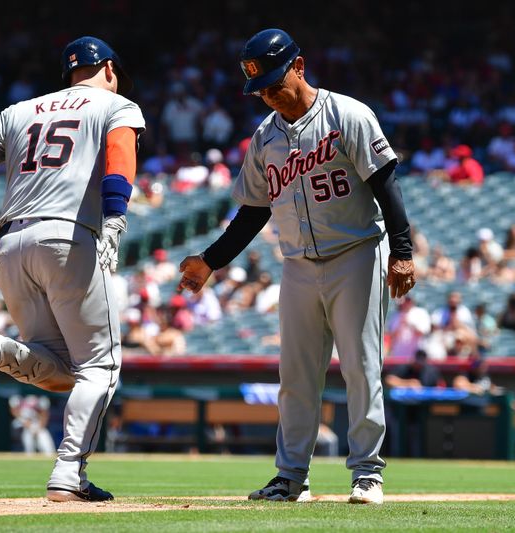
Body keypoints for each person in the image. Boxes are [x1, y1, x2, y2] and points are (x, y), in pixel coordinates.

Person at [177, 29, 416, 505]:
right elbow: (253, 211)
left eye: (273, 82)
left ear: (299, 67)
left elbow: (386, 182)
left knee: (361, 368)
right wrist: (210, 261)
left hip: (357, 254)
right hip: (298, 265)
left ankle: (367, 474)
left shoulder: (347, 114)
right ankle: (291, 478)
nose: (268, 94)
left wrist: (403, 250)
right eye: (260, 88)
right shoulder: (265, 137)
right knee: (296, 377)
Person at [0, 36, 145, 502]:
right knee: (102, 366)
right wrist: (115, 218)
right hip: (68, 238)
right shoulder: (116, 104)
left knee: (62, 371)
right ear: (108, 69)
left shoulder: (19, 110)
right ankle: (69, 473)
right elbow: (119, 158)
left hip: (12, 245)